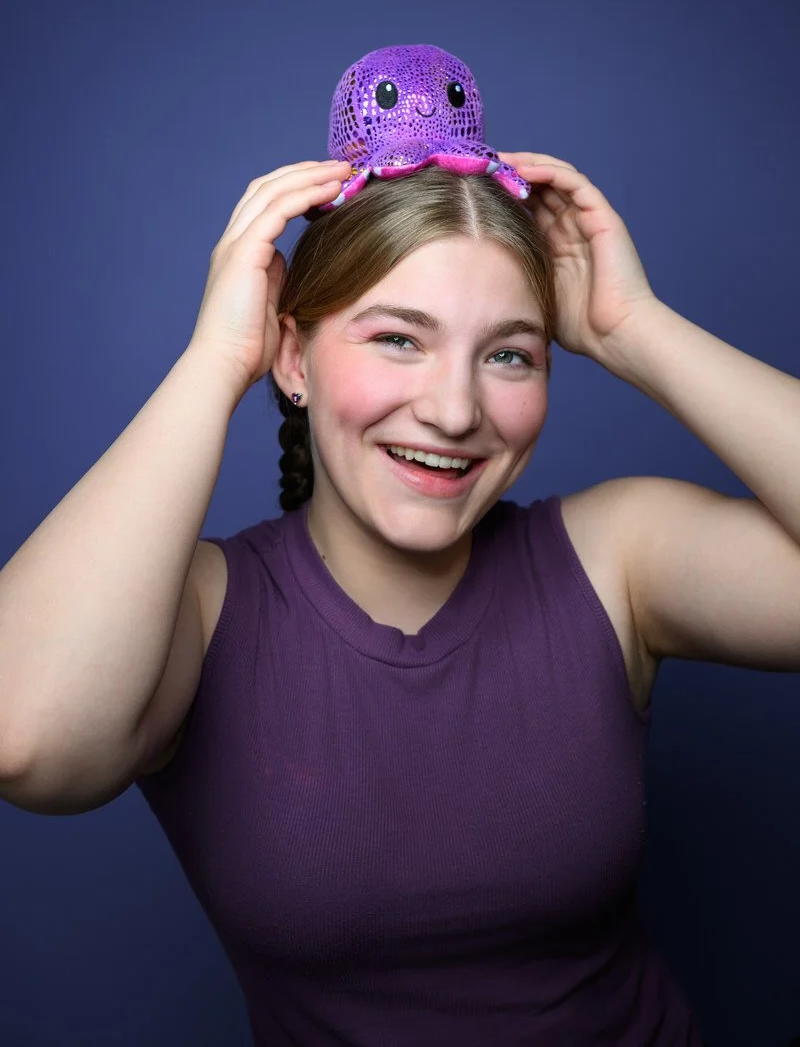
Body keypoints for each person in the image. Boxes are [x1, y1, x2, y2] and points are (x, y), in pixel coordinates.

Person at [2, 140, 799, 1045]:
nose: (455, 410)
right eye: (397, 338)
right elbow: (26, 741)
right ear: (293, 360)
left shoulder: (617, 559)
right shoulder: (200, 610)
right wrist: (215, 360)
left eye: (509, 355)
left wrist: (635, 329)